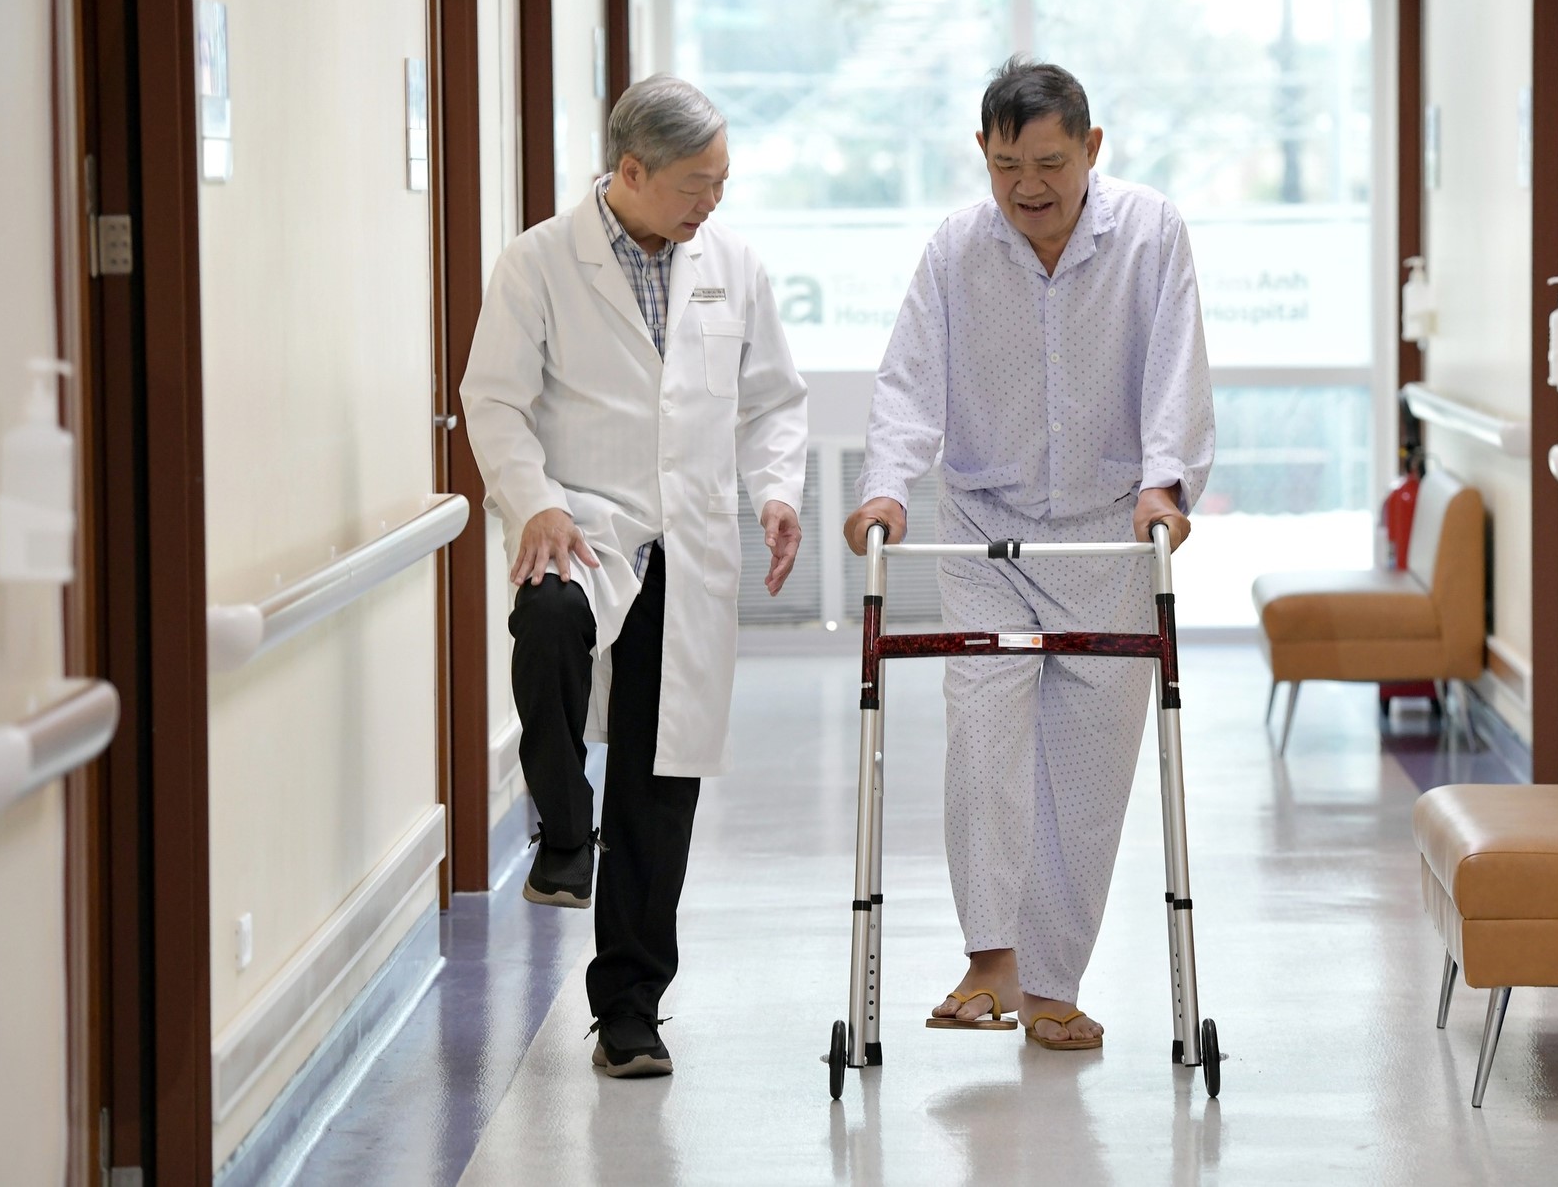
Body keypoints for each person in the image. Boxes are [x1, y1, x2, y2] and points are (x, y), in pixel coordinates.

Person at [844, 57, 1214, 1051]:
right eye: (1006, 164)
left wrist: (1163, 482)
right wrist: (885, 483)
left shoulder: (1148, 233)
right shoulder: (956, 250)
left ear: (1091, 149)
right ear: (982, 155)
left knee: (1087, 779)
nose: (1027, 187)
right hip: (984, 527)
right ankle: (989, 954)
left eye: (1049, 161)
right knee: (982, 732)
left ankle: (1052, 984)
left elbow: (1175, 364)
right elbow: (907, 380)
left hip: (1108, 533)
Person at [461, 75, 807, 1078]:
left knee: (660, 785)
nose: (713, 201)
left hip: (689, 536)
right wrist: (534, 500)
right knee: (549, 620)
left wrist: (776, 488)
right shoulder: (537, 261)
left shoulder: (730, 263)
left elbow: (773, 398)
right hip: (584, 519)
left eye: (723, 179)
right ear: (629, 171)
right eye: (698, 182)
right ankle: (565, 823)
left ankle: (627, 1008)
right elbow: (493, 399)